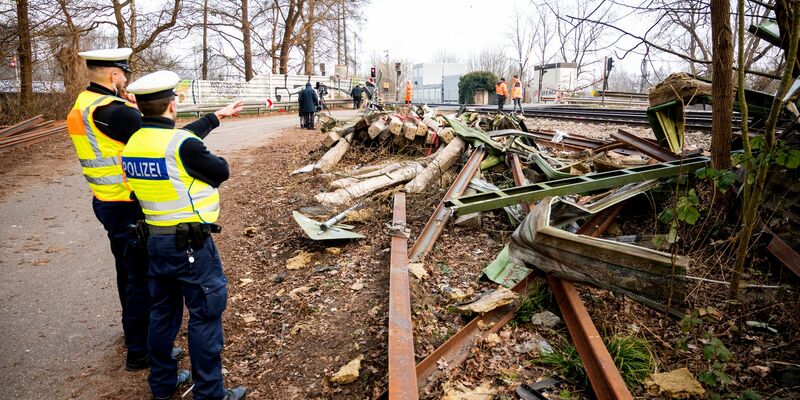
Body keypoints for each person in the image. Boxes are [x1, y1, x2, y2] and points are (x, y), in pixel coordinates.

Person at [122, 70, 247, 400]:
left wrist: (215, 117)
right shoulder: (183, 145)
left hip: (152, 243)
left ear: (141, 105)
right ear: (172, 104)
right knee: (205, 315)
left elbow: (171, 142)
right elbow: (220, 171)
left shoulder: (133, 142)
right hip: (190, 245)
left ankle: (162, 385)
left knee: (162, 314)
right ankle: (210, 393)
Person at [67, 47, 175, 371]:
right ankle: (141, 350)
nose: (126, 79)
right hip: (128, 204)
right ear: (114, 75)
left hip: (104, 200)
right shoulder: (116, 111)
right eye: (123, 74)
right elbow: (161, 142)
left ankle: (134, 336)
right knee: (140, 278)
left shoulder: (81, 105)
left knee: (125, 271)